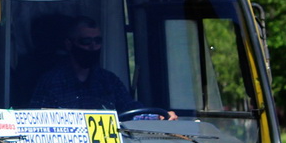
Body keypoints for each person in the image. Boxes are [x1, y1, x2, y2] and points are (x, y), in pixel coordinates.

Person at [30, 16, 176, 118]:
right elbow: (35, 119)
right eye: (86, 41)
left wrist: (159, 116)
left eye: (97, 41)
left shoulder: (109, 81)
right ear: (69, 44)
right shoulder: (50, 82)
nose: (93, 47)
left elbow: (132, 111)